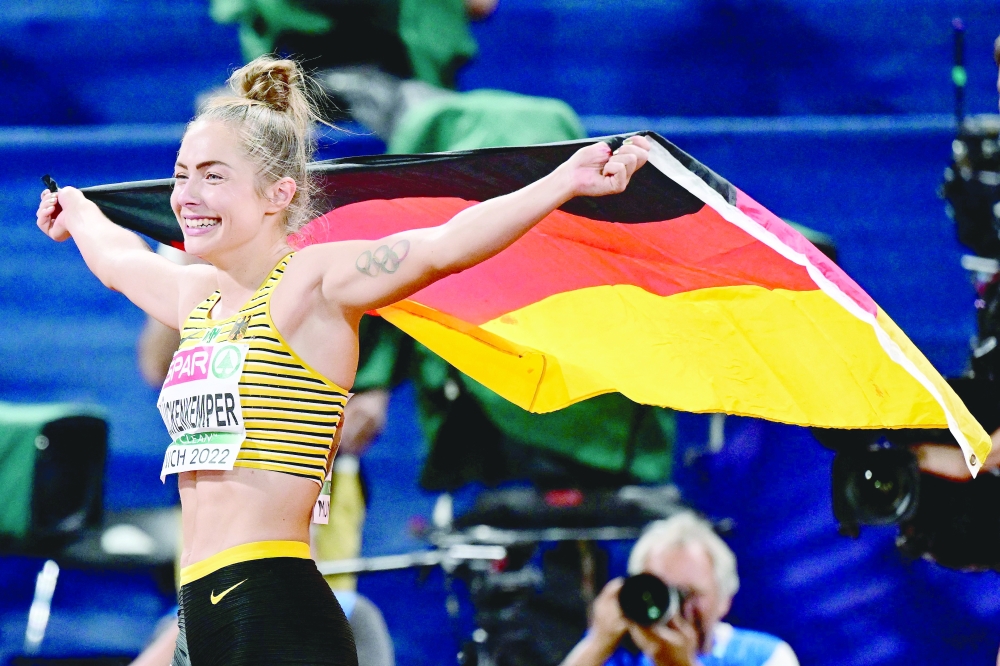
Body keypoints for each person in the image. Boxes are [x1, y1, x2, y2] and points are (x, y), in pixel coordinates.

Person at [35, 55, 650, 665]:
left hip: (272, 603)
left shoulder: (315, 282)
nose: (187, 196)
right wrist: (78, 212)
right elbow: (121, 264)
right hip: (199, 609)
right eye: (181, 174)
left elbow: (445, 246)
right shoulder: (200, 296)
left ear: (280, 193)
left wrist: (563, 182)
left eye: (213, 176)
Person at [560, 512, 798, 666]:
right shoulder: (617, 655)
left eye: (689, 594)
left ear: (724, 599)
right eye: (661, 591)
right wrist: (597, 645)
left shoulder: (761, 656)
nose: (676, 608)